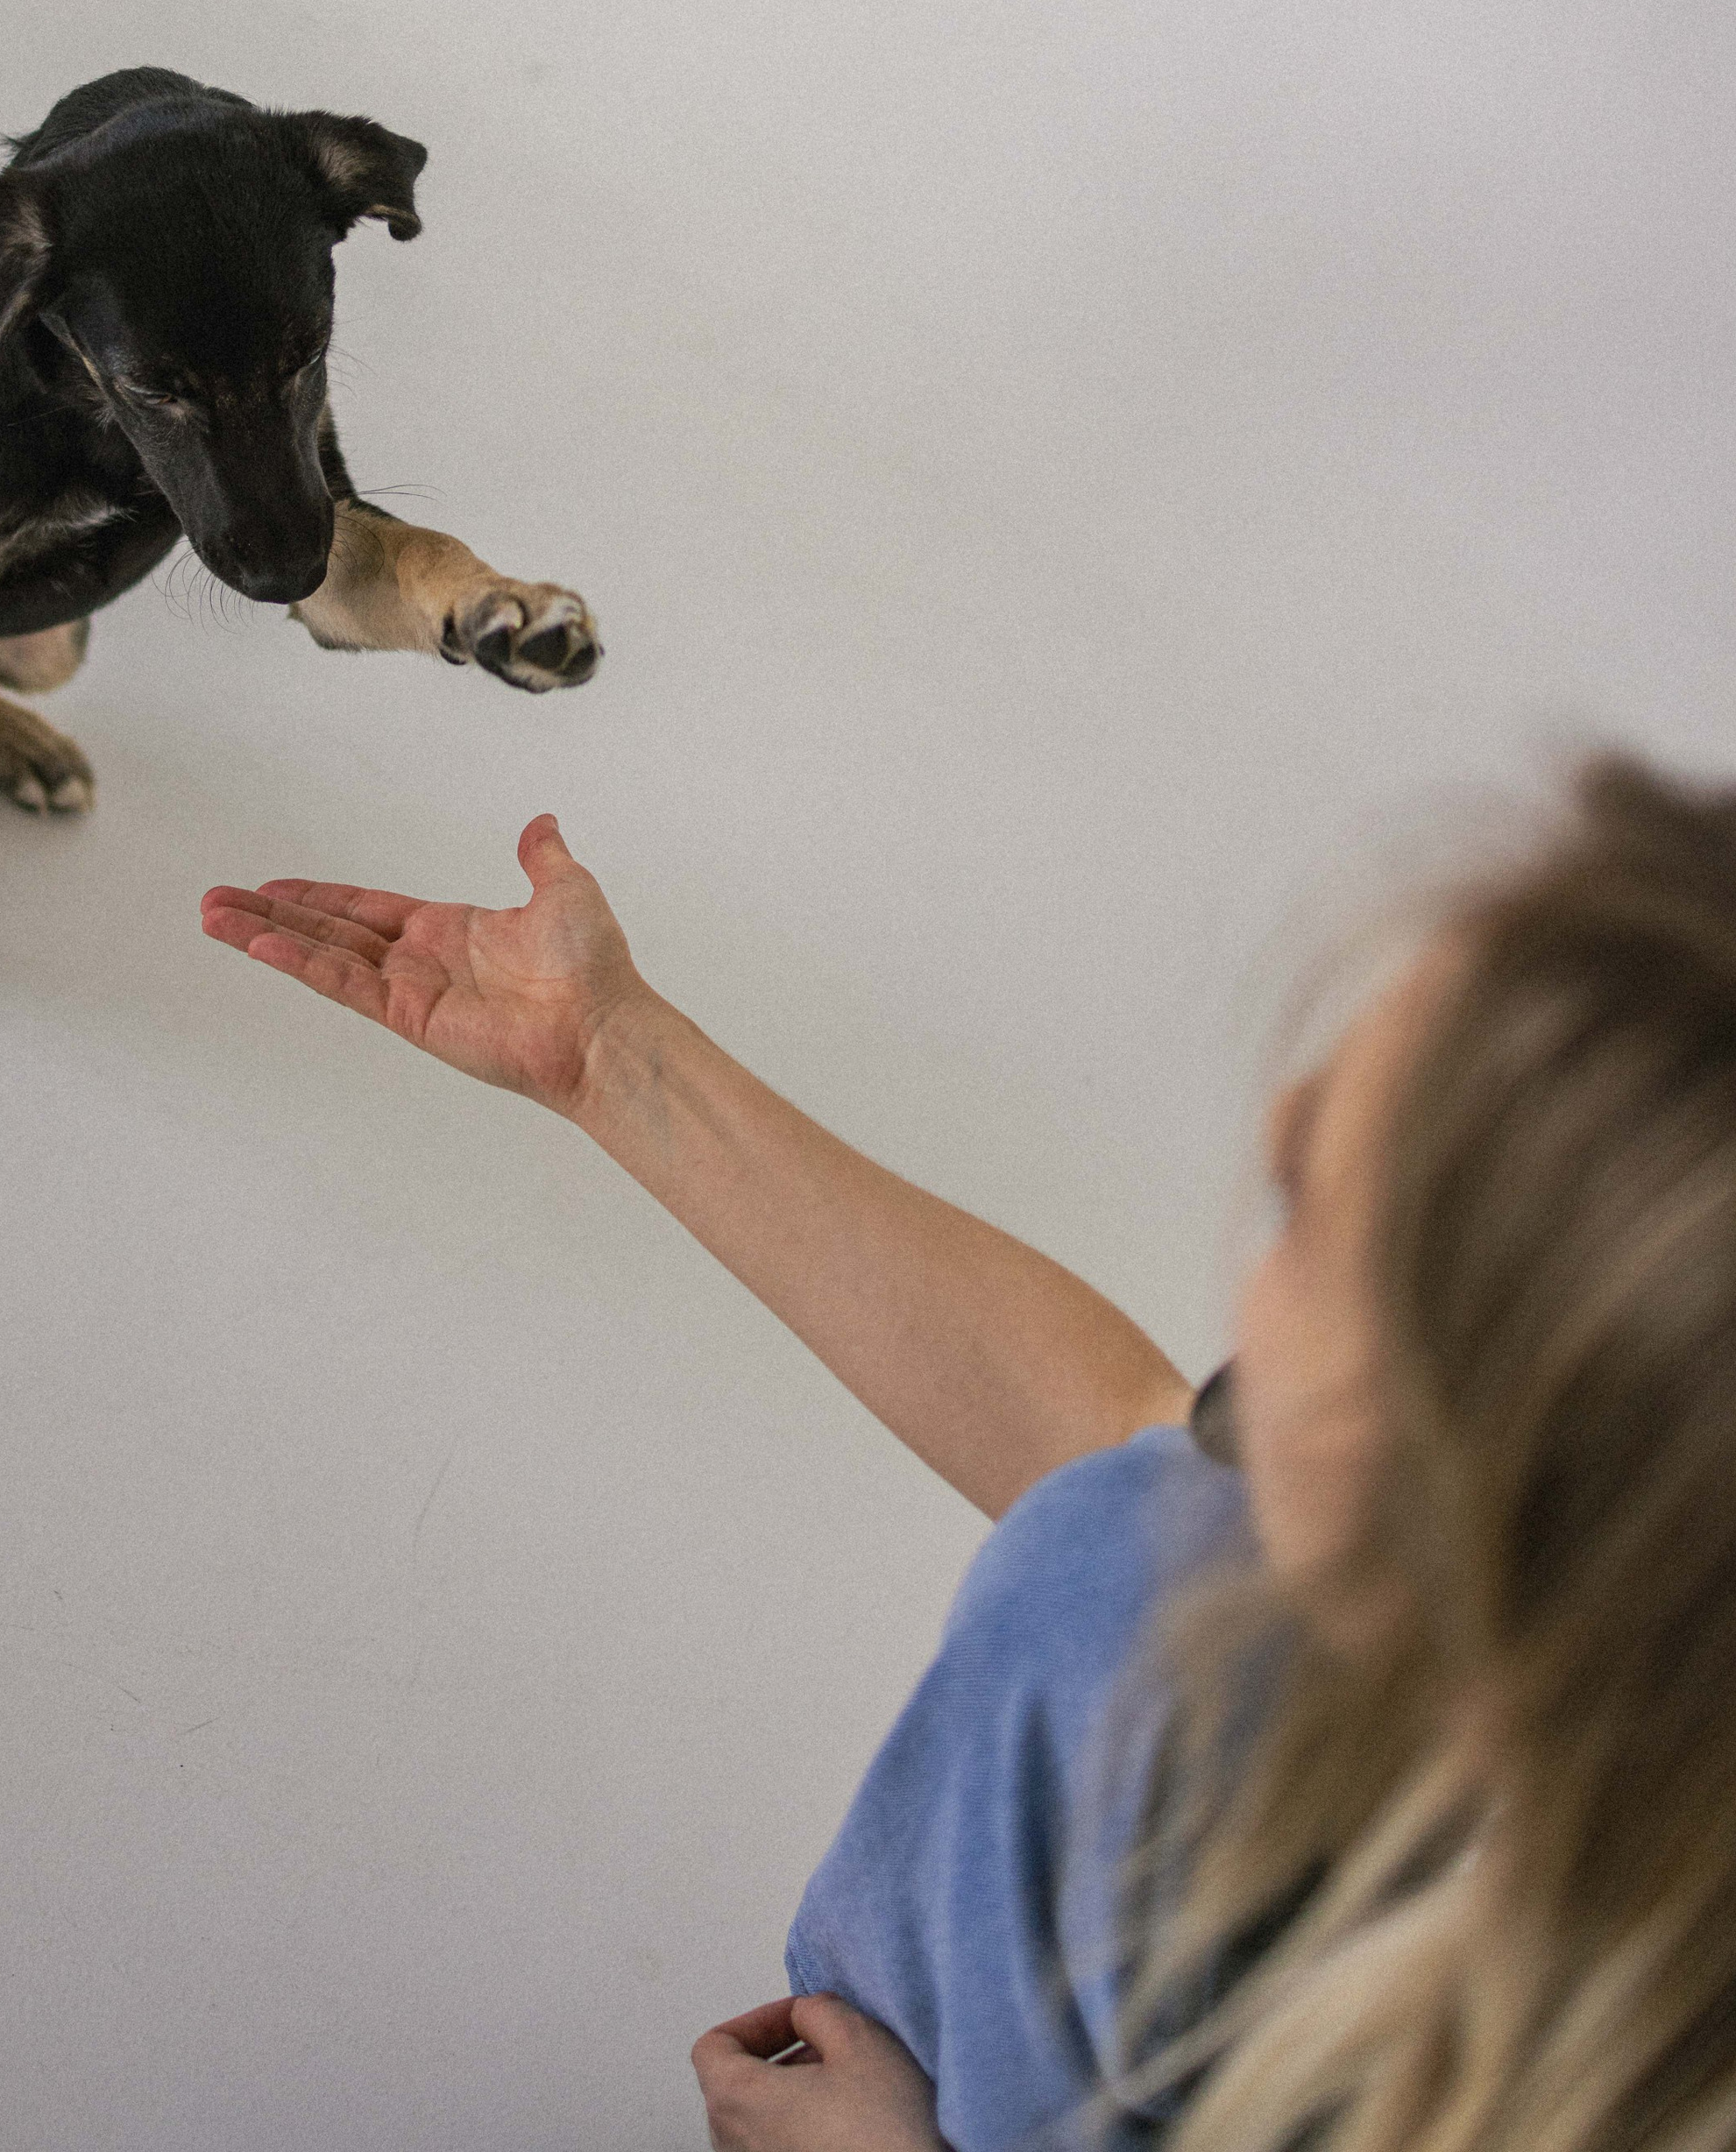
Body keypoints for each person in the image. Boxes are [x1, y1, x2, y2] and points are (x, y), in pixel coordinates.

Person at [202, 754, 1736, 2152]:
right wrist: (612, 1055)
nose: (1268, 1140)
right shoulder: (1317, 1579)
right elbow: (1126, 1441)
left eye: (1318, 1213)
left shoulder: (1147, 1660)